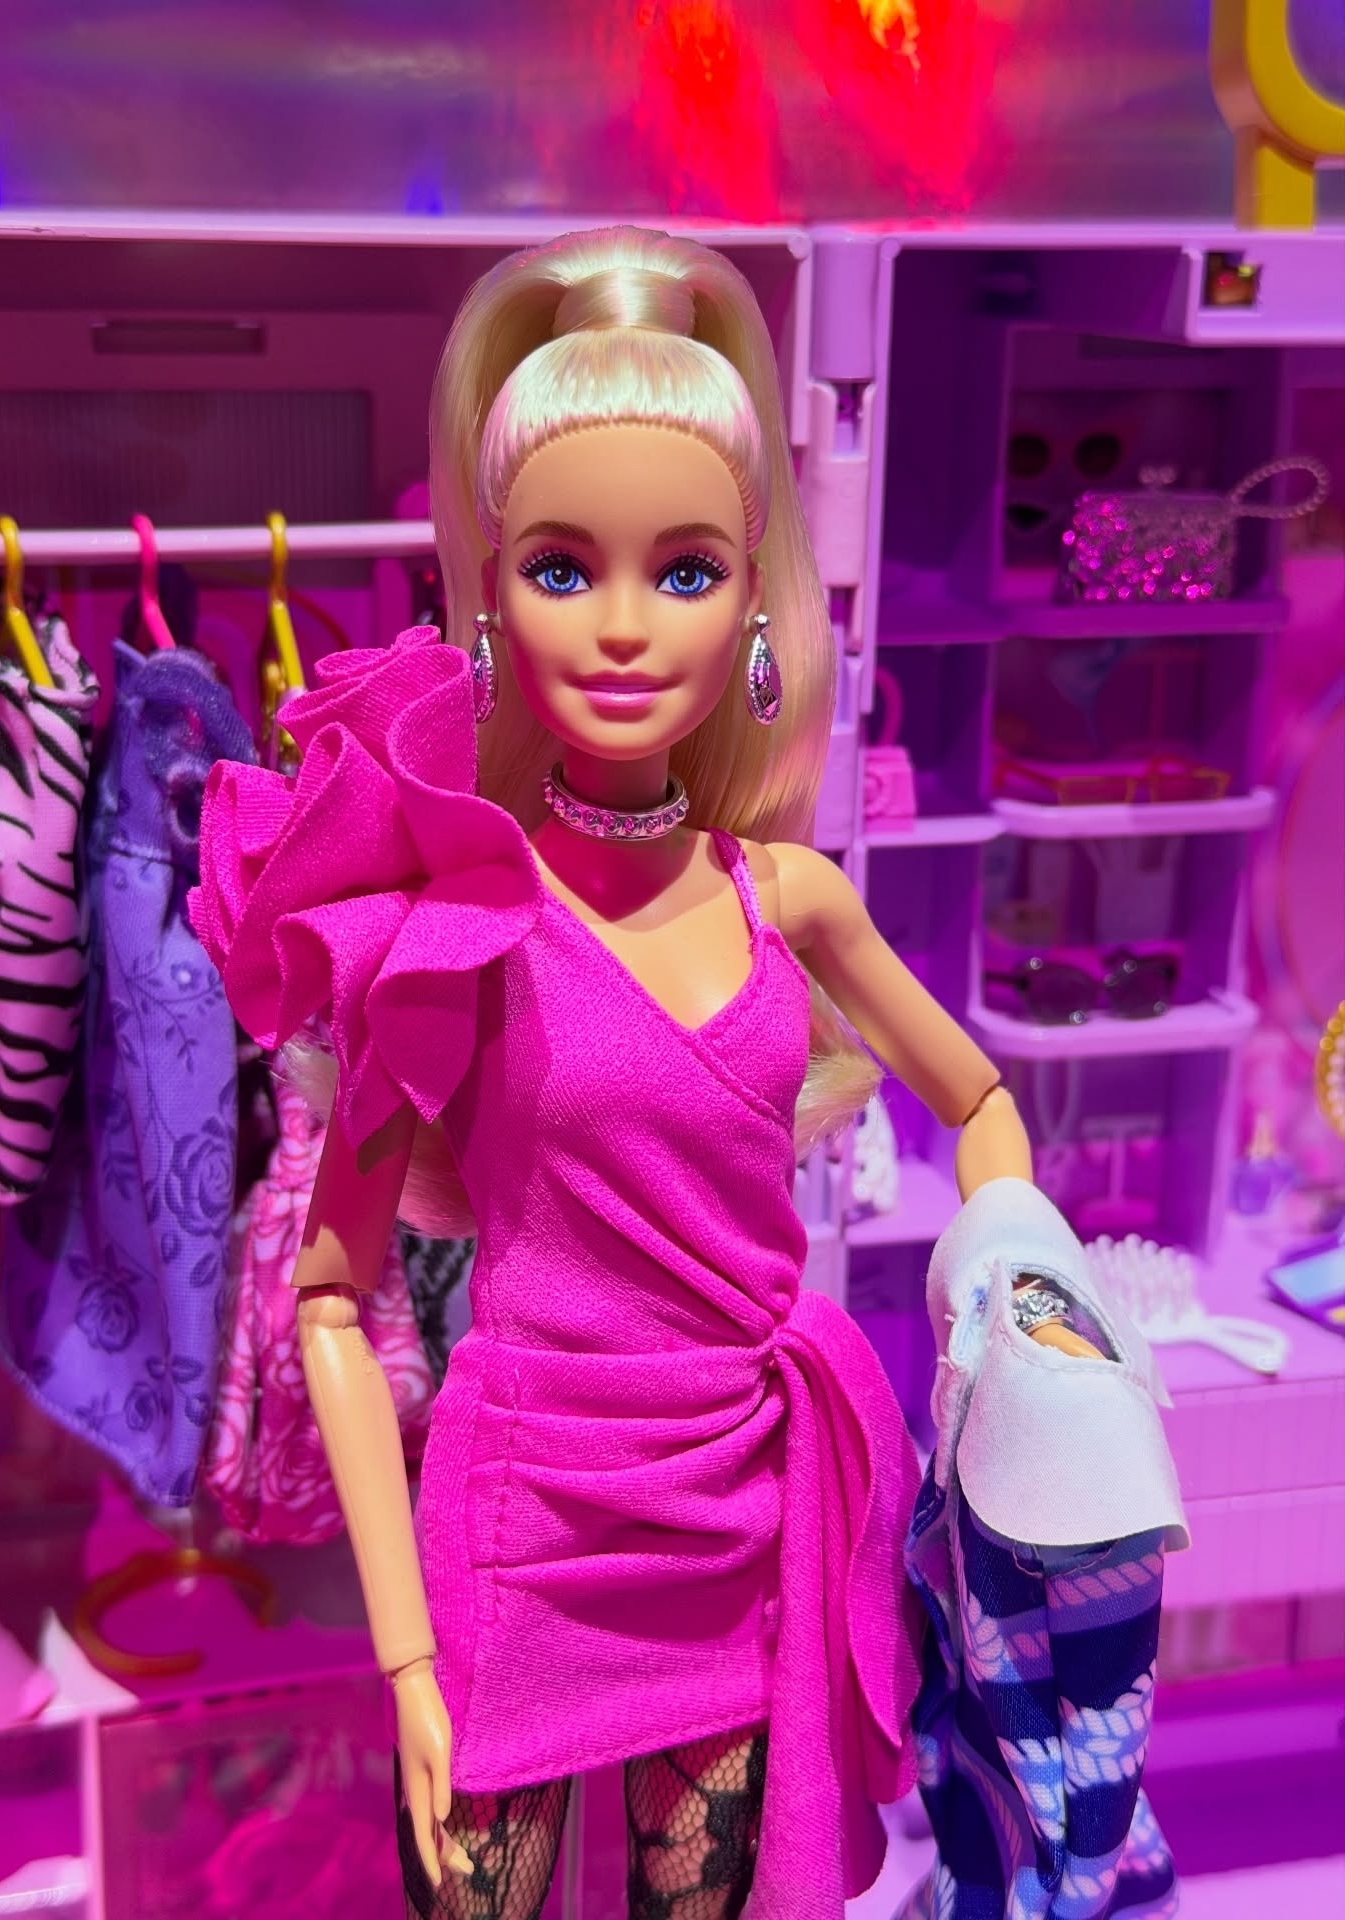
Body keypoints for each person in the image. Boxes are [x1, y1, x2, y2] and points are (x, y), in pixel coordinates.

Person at [190, 225, 1098, 1920]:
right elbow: (330, 1295)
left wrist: (1015, 1307)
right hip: (520, 1518)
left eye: (683, 572)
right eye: (561, 568)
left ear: (756, 601)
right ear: (488, 598)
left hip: (736, 1506)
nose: (621, 630)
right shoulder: (450, 919)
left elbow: (978, 1099)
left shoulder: (792, 901)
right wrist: (404, 1659)